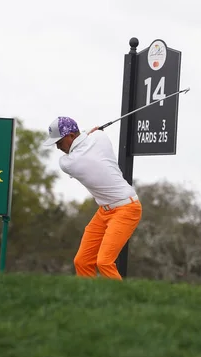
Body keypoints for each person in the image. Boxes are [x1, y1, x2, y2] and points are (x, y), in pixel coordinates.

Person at [42, 116, 142, 280]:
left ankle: (123, 301)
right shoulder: (100, 138)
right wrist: (89, 132)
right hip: (105, 210)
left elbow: (86, 138)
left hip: (127, 209)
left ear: (71, 136)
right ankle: (90, 301)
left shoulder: (69, 163)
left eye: (59, 142)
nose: (58, 147)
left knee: (104, 262)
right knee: (82, 261)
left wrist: (89, 132)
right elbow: (93, 134)